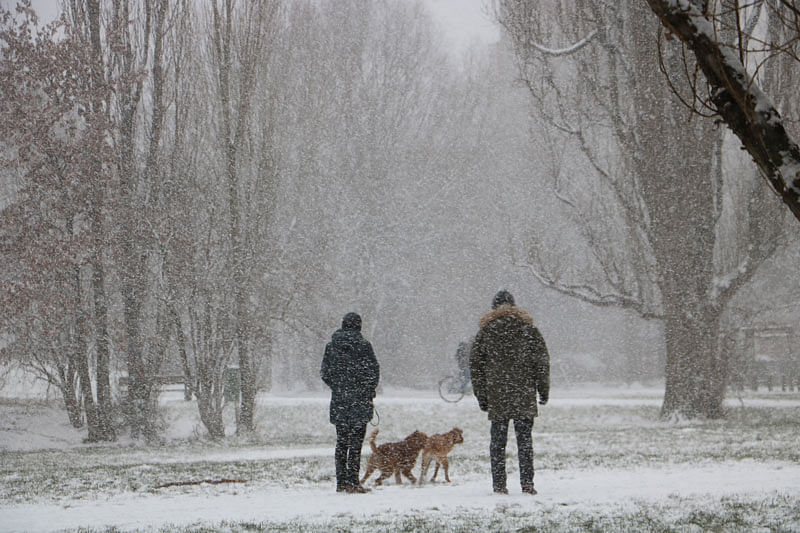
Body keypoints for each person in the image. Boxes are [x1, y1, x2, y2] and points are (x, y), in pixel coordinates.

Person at [469, 290, 550, 495]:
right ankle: (527, 484)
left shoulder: (486, 331)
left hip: (498, 394)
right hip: (523, 393)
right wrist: (543, 389)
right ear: (514, 306)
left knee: (497, 443)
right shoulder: (528, 329)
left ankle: (499, 485)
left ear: (494, 308)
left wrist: (482, 395)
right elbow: (541, 362)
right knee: (525, 442)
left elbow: (476, 366)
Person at [321, 312, 380, 493]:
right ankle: (353, 481)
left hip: (340, 401)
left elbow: (325, 373)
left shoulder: (332, 347)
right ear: (359, 326)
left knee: (341, 442)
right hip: (360, 402)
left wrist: (338, 387)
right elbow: (374, 371)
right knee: (355, 444)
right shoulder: (364, 346)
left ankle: (341, 481)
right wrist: (367, 390)